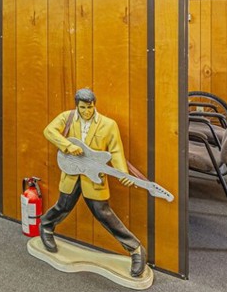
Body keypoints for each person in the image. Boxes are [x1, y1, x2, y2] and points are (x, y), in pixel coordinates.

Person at [40, 88, 147, 277]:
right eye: (83, 107)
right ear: (77, 106)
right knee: (63, 206)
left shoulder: (108, 125)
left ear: (94, 105)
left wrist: (122, 173)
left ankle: (135, 249)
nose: (87, 111)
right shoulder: (67, 117)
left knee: (103, 213)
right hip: (71, 175)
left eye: (90, 107)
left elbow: (116, 151)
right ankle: (46, 226)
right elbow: (49, 131)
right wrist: (68, 146)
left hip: (94, 178)